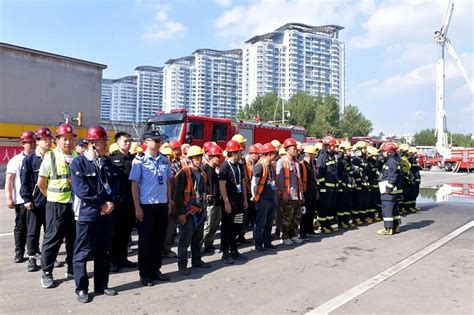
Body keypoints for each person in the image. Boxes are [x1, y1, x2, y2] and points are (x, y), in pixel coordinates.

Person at [70, 125, 119, 303]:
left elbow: (115, 182)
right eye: (102, 141)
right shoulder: (78, 163)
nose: (105, 144)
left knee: (103, 251)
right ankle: (81, 288)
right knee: (82, 252)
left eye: (105, 141)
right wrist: (101, 204)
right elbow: (81, 190)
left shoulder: (106, 162)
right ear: (92, 143)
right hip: (86, 214)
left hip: (106, 214)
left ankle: (102, 285)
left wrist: (111, 201)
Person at [129, 130, 173, 287]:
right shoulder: (139, 161)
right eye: (155, 140)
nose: (158, 142)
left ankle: (156, 270)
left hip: (161, 204)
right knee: (146, 242)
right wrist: (137, 207)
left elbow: (168, 181)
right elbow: (134, 185)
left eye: (159, 140)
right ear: (146, 142)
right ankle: (145, 273)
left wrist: (169, 201)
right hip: (146, 206)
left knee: (158, 240)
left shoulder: (164, 160)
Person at [37, 123, 77, 288]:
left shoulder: (76, 155)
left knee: (73, 239)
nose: (67, 142)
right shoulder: (50, 156)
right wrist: (51, 197)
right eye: (63, 139)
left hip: (74, 205)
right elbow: (41, 183)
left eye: (70, 139)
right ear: (57, 140)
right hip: (56, 204)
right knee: (52, 238)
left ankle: (72, 268)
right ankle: (47, 272)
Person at [174, 146, 211, 275]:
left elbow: (203, 192)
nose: (198, 160)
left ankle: (196, 260)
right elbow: (177, 195)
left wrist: (205, 209)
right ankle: (182, 265)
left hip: (199, 210)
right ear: (190, 159)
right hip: (187, 212)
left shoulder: (202, 173)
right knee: (185, 240)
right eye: (196, 158)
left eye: (200, 157)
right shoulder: (184, 173)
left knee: (197, 238)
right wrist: (180, 213)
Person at [20, 127, 52, 271]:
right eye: (45, 139)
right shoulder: (29, 160)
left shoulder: (53, 157)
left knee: (50, 231)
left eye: (50, 139)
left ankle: (48, 257)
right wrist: (27, 199)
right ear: (37, 141)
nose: (49, 142)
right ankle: (32, 257)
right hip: (34, 202)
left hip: (51, 201)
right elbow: (24, 181)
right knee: (33, 231)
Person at [108, 132, 138, 272]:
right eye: (125, 141)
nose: (128, 144)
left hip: (130, 201)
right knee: (115, 233)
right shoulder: (111, 159)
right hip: (117, 201)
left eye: (130, 141)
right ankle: (113, 261)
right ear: (118, 143)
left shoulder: (134, 159)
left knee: (126, 232)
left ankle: (123, 258)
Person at [5, 130, 36, 263]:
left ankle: (33, 253)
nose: (32, 145)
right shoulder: (15, 160)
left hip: (35, 199)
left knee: (33, 228)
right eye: (29, 142)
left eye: (34, 142)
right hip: (20, 200)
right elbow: (9, 181)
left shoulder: (39, 159)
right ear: (23, 143)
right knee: (20, 227)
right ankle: (19, 252)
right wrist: (9, 197)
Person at [219, 140, 248, 264]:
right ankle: (225, 252)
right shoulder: (225, 166)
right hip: (230, 203)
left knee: (236, 227)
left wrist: (245, 199)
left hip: (239, 202)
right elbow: (222, 186)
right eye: (238, 153)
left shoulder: (239, 165)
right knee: (227, 228)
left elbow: (242, 183)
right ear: (232, 153)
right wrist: (226, 202)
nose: (240, 155)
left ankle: (234, 249)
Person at [276, 138, 304, 245]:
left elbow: (299, 180)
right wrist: (283, 193)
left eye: (296, 148)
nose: (295, 150)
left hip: (297, 195)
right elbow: (279, 179)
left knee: (296, 217)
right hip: (288, 195)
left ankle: (293, 235)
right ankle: (285, 236)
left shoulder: (296, 162)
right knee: (286, 217)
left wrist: (301, 195)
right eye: (293, 148)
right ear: (287, 149)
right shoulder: (281, 161)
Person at [251, 143, 278, 251]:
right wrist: (255, 196)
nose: (276, 155)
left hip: (270, 197)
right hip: (263, 199)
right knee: (261, 223)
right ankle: (258, 245)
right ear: (269, 154)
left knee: (269, 222)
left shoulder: (270, 165)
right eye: (274, 153)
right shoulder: (260, 166)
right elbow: (254, 183)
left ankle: (267, 242)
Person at [202, 144, 224, 254]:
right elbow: (200, 186)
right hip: (210, 204)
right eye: (219, 157)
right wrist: (206, 196)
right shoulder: (205, 169)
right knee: (208, 226)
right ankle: (197, 248)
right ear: (213, 157)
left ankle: (208, 246)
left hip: (217, 202)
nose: (220, 159)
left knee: (214, 226)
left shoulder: (214, 170)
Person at [378, 142, 403, 235]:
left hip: (388, 189)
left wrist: (388, 187)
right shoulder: (392, 160)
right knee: (394, 209)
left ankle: (388, 228)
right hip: (392, 189)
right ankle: (396, 226)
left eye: (384, 151)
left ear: (389, 152)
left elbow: (392, 176)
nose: (382, 153)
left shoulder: (391, 162)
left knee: (387, 208)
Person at [316, 136, 339, 234]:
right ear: (327, 146)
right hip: (326, 187)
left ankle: (328, 225)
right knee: (324, 207)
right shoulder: (322, 156)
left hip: (333, 186)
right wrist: (322, 187)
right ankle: (322, 225)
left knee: (331, 207)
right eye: (333, 146)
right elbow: (320, 173)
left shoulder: (332, 156)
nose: (334, 148)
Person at [299, 145, 319, 239]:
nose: (315, 156)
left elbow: (314, 179)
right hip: (305, 192)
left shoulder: (312, 164)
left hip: (313, 192)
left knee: (311, 212)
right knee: (305, 213)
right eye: (313, 155)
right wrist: (302, 194)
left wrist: (316, 192)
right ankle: (303, 233)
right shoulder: (301, 165)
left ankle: (310, 230)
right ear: (309, 154)